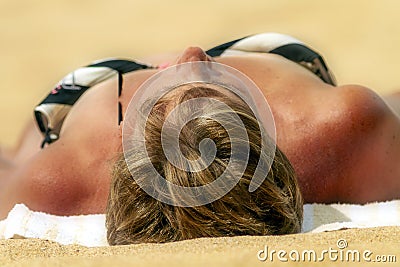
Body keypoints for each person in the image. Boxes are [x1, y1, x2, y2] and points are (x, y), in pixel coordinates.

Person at [0, 33, 399, 244]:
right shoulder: (342, 127)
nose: (192, 52)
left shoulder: (59, 179)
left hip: (97, 89)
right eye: (230, 92)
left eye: (159, 99)